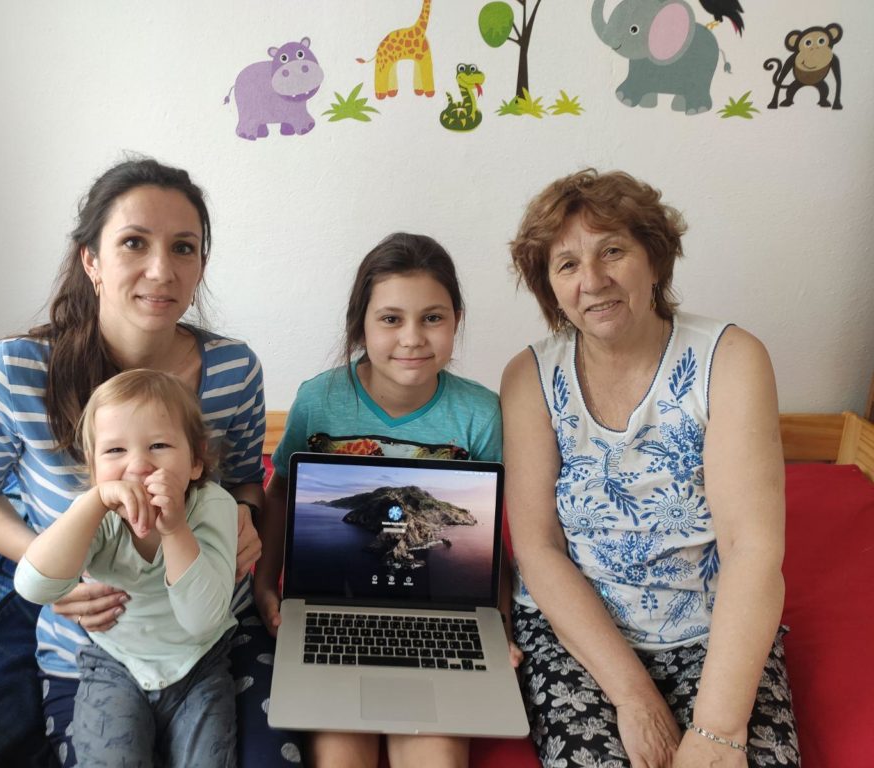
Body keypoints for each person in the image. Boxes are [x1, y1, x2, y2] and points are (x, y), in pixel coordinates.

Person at [0, 157, 301, 767]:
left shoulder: (234, 370)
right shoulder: (13, 372)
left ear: (200, 266)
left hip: (212, 634)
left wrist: (242, 516)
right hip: (91, 642)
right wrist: (53, 568)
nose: (161, 270)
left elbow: (246, 475)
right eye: (134, 243)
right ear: (91, 260)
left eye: (183, 248)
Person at [502, 169, 798, 767]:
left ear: (654, 259)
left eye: (613, 250)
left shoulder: (731, 359)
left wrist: (717, 732)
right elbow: (538, 550)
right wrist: (635, 699)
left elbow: (752, 548)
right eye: (566, 265)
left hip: (714, 634)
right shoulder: (528, 377)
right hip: (578, 640)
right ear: (550, 290)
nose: (593, 281)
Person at [255, 232, 520, 768]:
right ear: (361, 324)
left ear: (457, 321)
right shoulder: (318, 399)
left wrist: (498, 624)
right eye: (391, 318)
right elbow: (280, 490)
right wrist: (265, 584)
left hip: (443, 616)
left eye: (432, 318)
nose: (413, 339)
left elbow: (494, 528)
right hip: (335, 608)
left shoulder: (481, 413)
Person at [14, 369, 237, 767]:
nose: (138, 465)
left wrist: (175, 530)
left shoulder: (213, 507)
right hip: (114, 664)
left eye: (159, 445)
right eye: (115, 452)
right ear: (93, 466)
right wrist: (91, 503)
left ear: (196, 462)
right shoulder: (95, 515)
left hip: (199, 661)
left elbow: (203, 621)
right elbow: (34, 587)